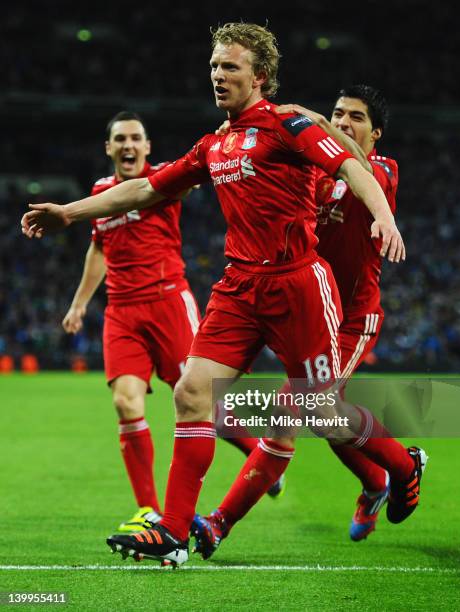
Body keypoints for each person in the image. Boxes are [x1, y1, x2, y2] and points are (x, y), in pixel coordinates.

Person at [22, 23, 420, 569]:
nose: (217, 75)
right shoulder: (215, 144)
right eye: (213, 66)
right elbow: (147, 188)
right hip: (238, 287)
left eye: (229, 67)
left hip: (297, 283)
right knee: (190, 392)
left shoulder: (288, 124)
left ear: (259, 76)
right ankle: (173, 531)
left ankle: (402, 467)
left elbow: (350, 164)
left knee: (321, 411)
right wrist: (69, 212)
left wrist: (383, 216)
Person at [191, 86, 428, 558]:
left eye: (354, 117)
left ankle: (403, 467)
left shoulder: (381, 171)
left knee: (292, 414)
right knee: (326, 419)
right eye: (337, 113)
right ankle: (379, 479)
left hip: (351, 320)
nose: (341, 123)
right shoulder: (313, 171)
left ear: (375, 132)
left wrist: (308, 116)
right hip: (303, 309)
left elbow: (357, 167)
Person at [62, 111, 202, 532]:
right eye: (120, 139)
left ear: (147, 146)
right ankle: (149, 511)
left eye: (135, 138)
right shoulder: (101, 192)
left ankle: (260, 460)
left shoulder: (163, 180)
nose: (128, 145)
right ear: (109, 148)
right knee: (125, 401)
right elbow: (99, 251)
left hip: (168, 304)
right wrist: (79, 303)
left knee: (198, 400)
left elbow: (194, 177)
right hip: (121, 312)